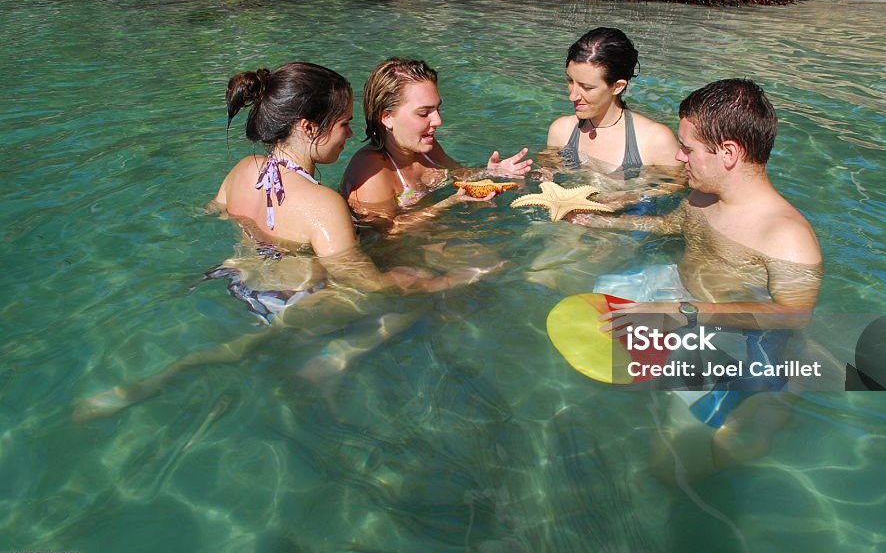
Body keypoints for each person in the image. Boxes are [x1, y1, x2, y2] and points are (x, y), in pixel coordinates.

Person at [73, 62, 497, 421]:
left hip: (235, 279)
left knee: (231, 351)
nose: (351, 135)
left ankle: (144, 384)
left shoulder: (244, 168)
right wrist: (446, 281)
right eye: (345, 123)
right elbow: (365, 284)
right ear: (310, 128)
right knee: (409, 284)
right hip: (288, 301)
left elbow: (210, 213)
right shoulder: (322, 204)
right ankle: (332, 362)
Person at [593, 79, 823, 481]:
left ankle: (777, 399)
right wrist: (596, 220)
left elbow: (792, 316)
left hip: (723, 327)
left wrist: (682, 313)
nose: (680, 158)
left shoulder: (785, 236)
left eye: (689, 149)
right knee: (595, 300)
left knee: (670, 467)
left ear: (729, 153)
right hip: (677, 291)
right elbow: (670, 225)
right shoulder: (702, 195)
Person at [343, 57, 533, 232]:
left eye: (437, 109)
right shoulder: (370, 172)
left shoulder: (427, 148)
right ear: (387, 117)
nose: (438, 120)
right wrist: (447, 203)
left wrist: (491, 172)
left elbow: (459, 174)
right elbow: (383, 233)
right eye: (424, 113)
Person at [547, 28, 681, 175]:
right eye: (570, 81)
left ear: (618, 87)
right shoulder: (561, 131)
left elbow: (674, 189)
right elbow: (549, 175)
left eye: (586, 87)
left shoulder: (656, 140)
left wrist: (626, 195)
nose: (572, 96)